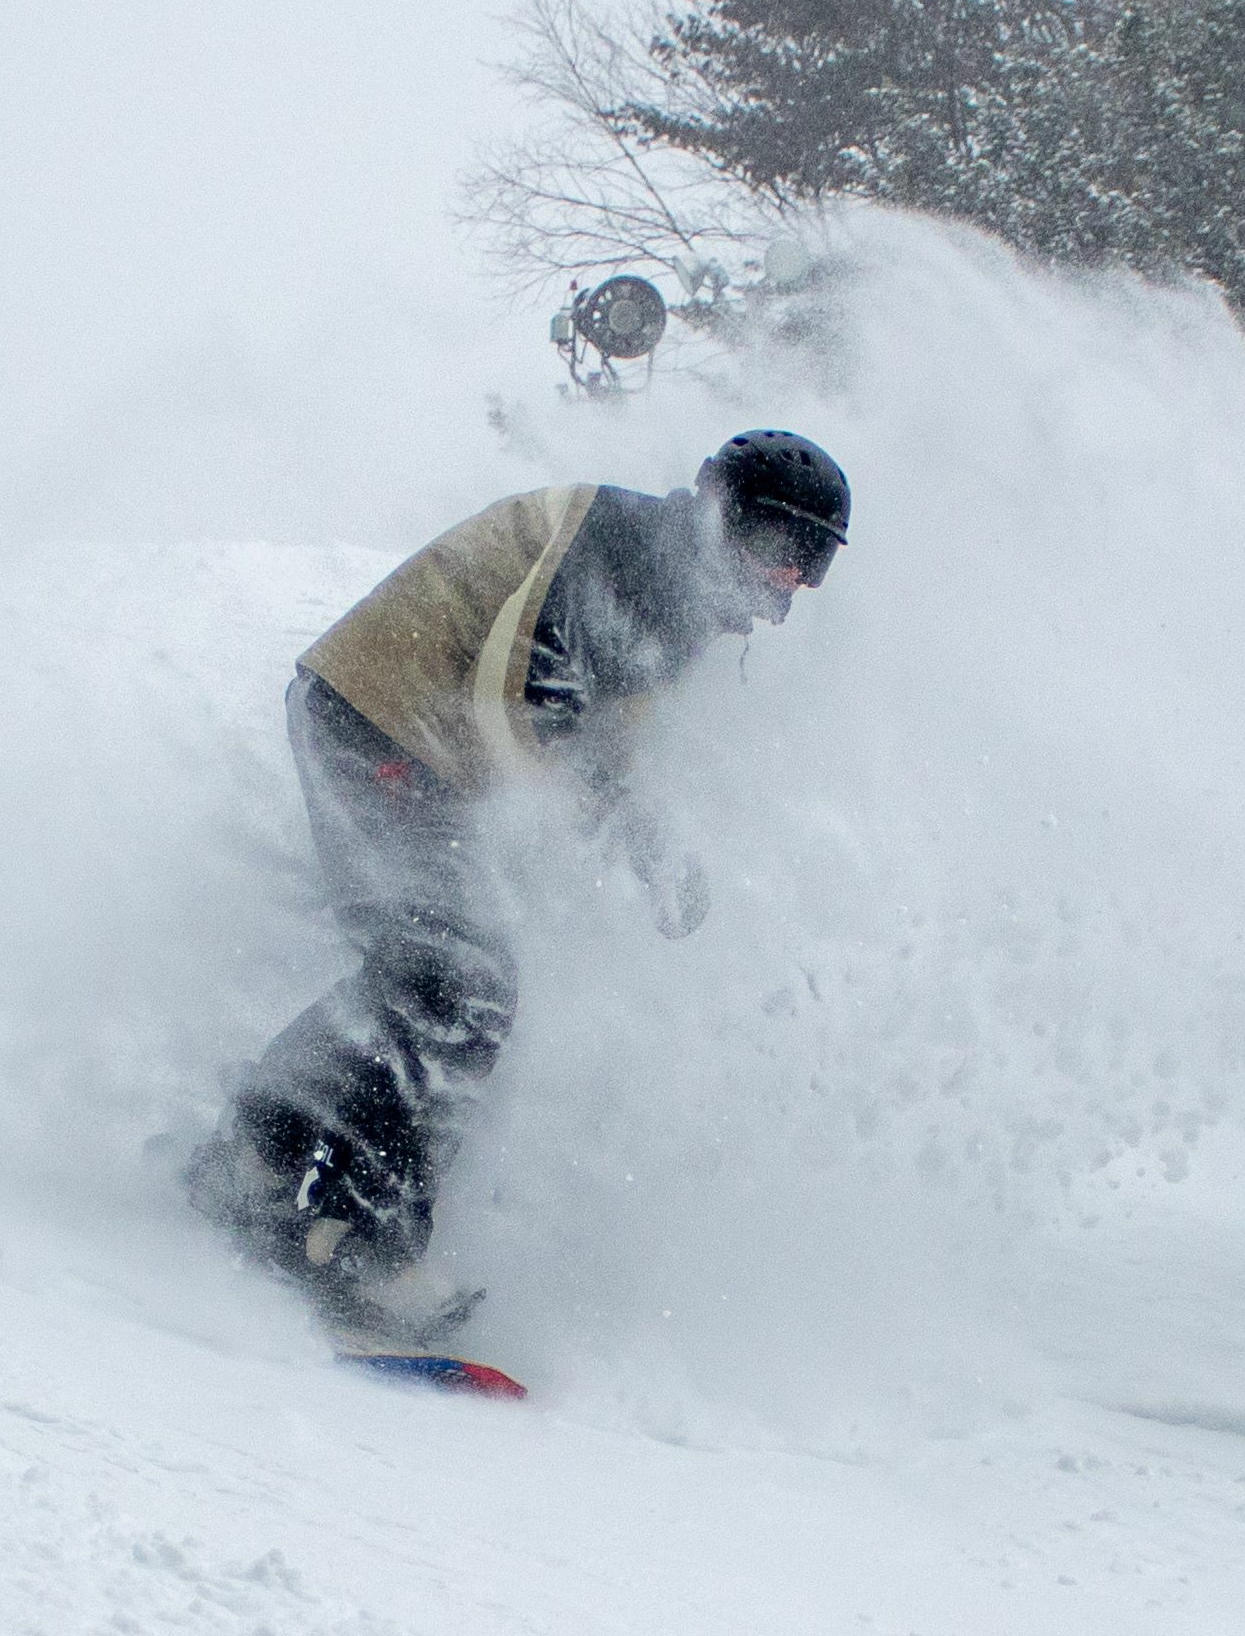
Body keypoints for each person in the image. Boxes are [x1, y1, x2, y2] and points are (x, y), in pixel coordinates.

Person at [185, 429, 852, 1343]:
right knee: (457, 981)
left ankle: (253, 1158)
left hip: (417, 750)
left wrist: (653, 847)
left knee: (434, 978)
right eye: (777, 549)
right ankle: (361, 1241)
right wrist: (563, 829)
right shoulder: (616, 542)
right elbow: (526, 697)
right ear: (712, 507)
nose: (784, 586)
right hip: (378, 720)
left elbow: (606, 742)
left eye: (809, 566)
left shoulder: (672, 603)